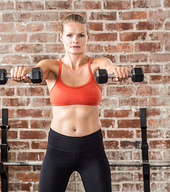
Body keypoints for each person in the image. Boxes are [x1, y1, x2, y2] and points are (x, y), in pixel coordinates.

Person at [10, 14, 131, 192]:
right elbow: (34, 71)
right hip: (58, 149)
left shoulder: (97, 65)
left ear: (88, 37)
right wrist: (21, 72)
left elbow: (110, 67)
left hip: (92, 150)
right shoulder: (51, 67)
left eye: (81, 35)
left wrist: (118, 71)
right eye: (69, 35)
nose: (75, 40)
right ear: (61, 37)